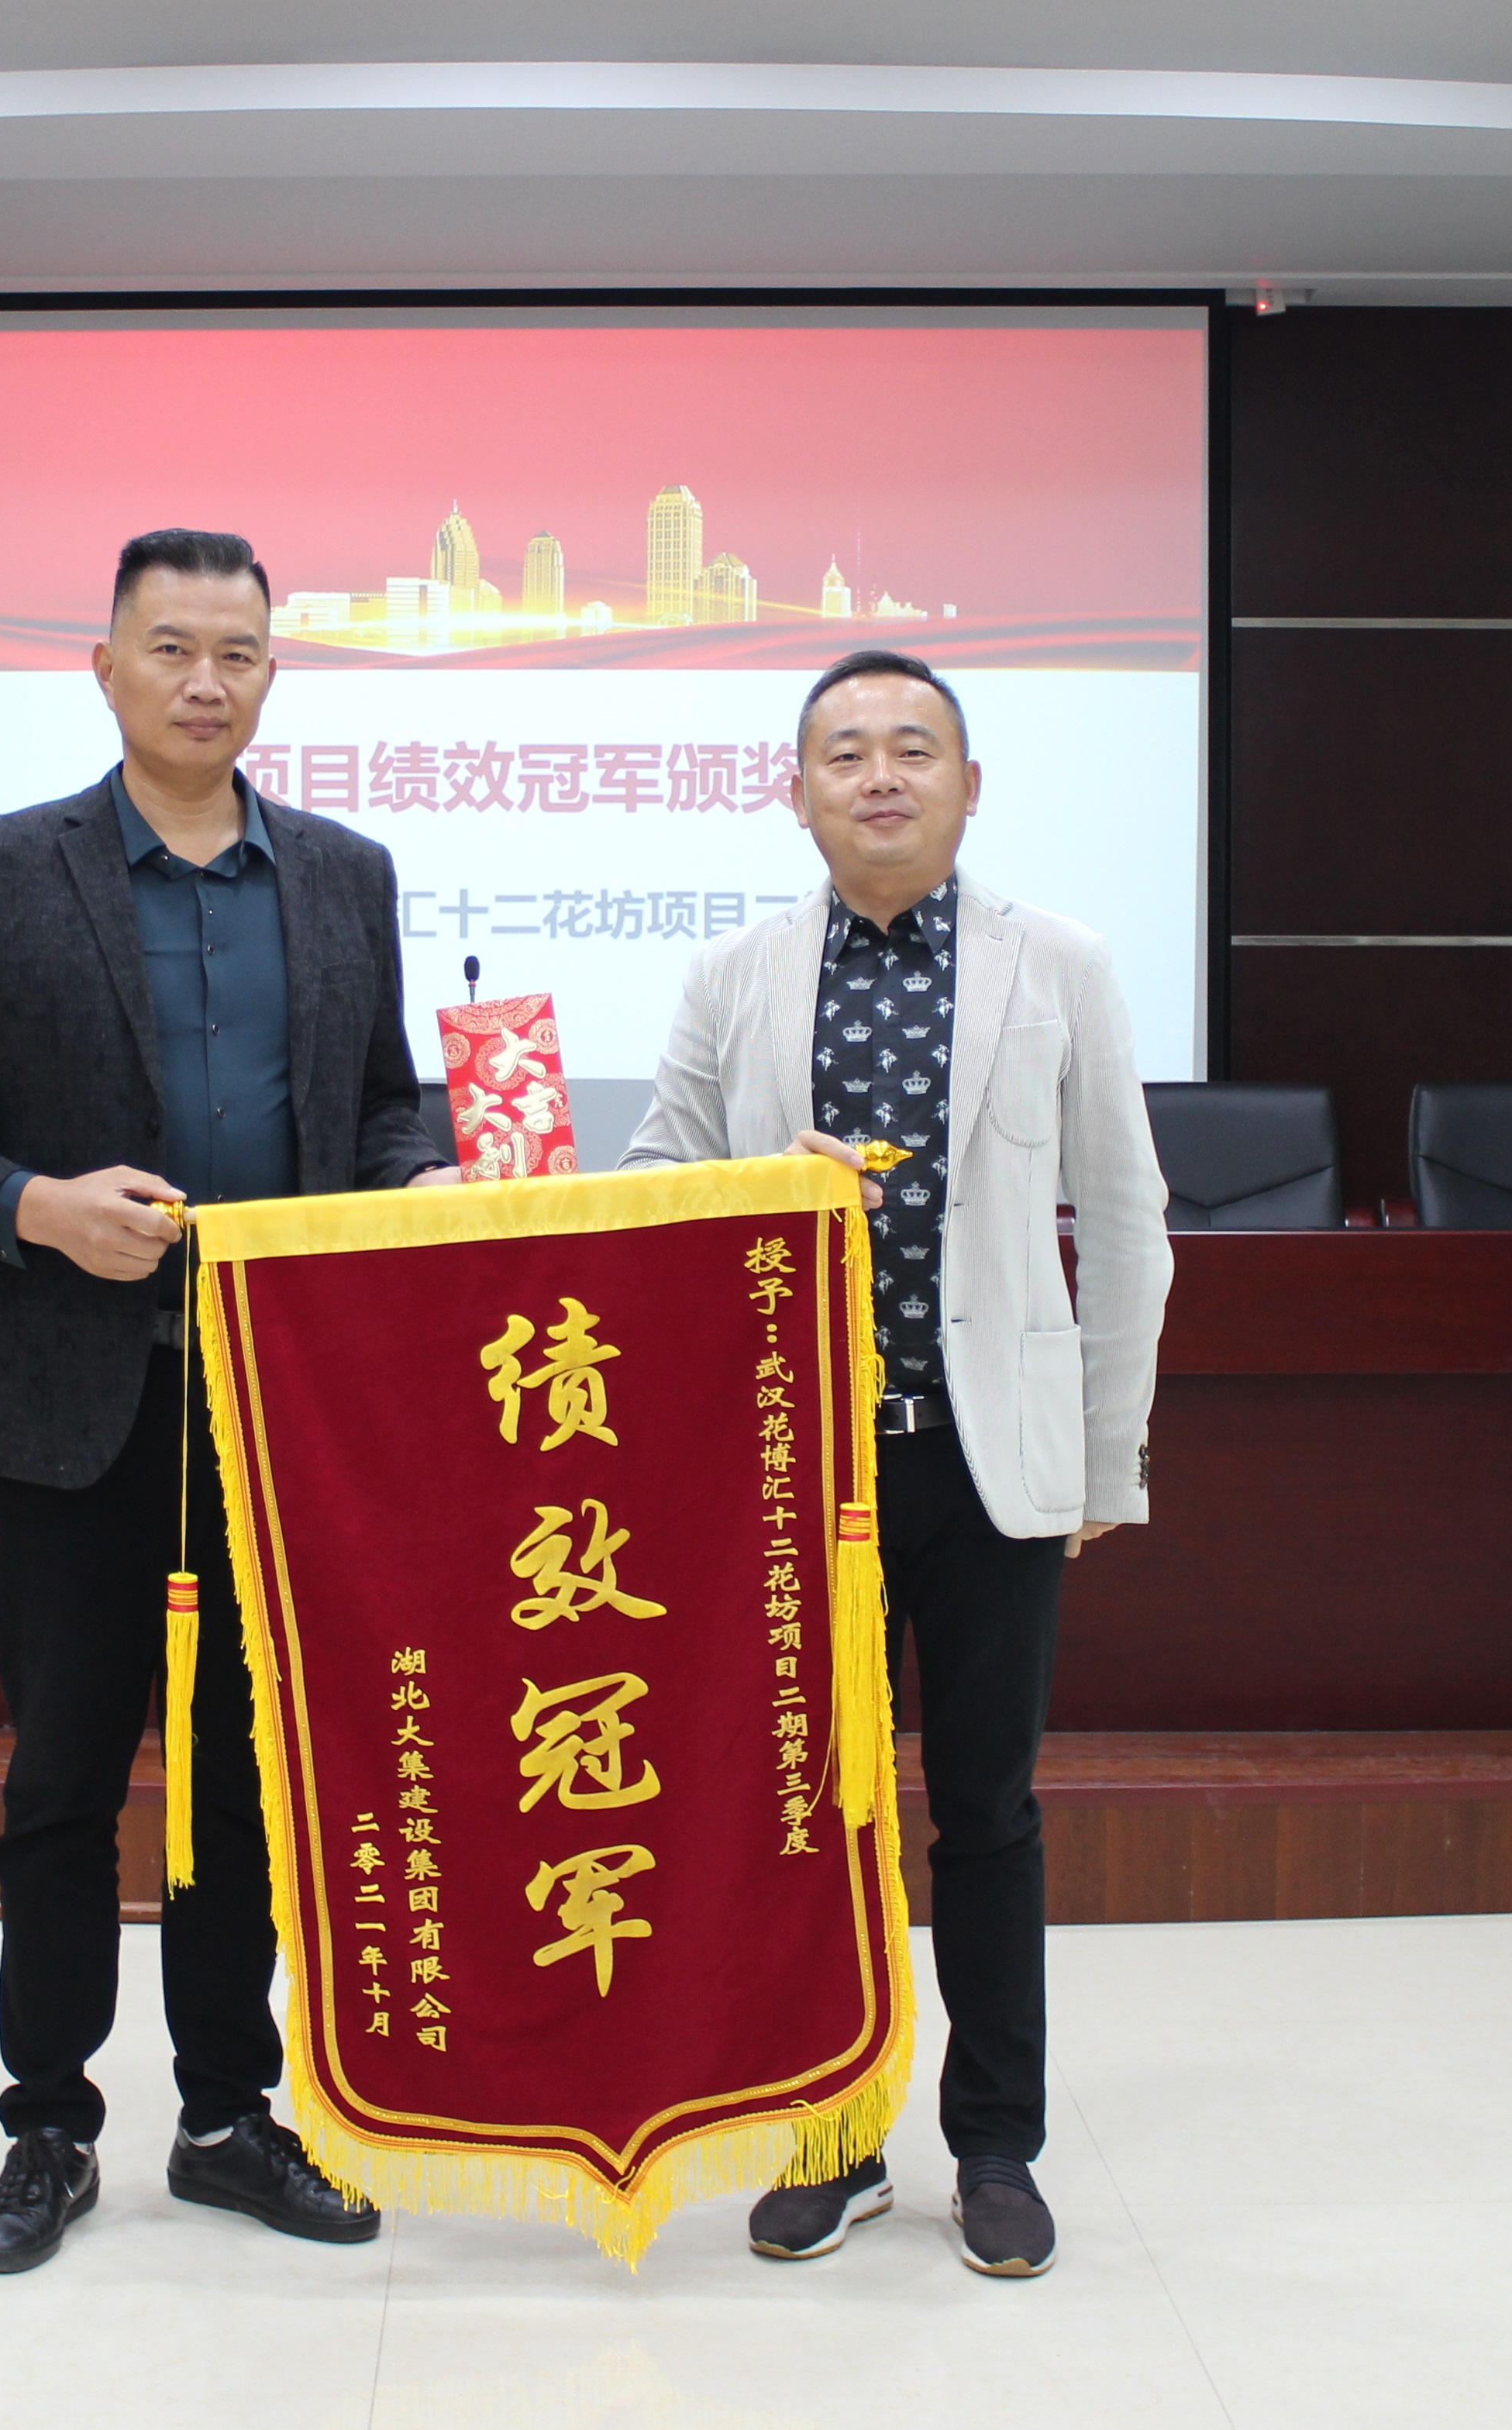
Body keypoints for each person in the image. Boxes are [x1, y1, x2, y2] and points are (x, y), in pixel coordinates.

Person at [0, 528, 456, 2276]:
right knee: (61, 1782)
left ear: (273, 672)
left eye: (239, 652)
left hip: (281, 1416)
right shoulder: (2, 869)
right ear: (106, 665)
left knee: (244, 1785)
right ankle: (48, 2124)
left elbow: (383, 1108)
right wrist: (35, 1209)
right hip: (75, 1406)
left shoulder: (345, 875)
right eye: (174, 646)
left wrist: (418, 1182)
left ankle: (224, 2115)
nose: (207, 680)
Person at [622, 648, 1172, 2280]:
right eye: (845, 751)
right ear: (794, 792)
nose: (880, 775)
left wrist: (1103, 1464)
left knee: (986, 1813)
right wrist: (753, 1188)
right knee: (811, 1818)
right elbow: (650, 1200)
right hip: (798, 1479)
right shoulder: (733, 976)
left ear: (969, 786)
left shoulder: (1056, 963)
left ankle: (995, 2145)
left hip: (989, 1465)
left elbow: (1124, 1220)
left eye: (913, 748)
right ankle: (831, 2136)